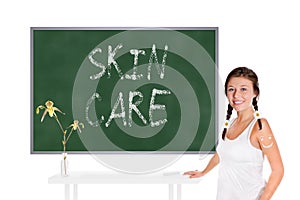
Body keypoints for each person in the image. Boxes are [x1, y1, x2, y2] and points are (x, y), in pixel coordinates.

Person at [184, 67, 284, 200]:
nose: (236, 95)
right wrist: (203, 172)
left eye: (243, 89)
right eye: (231, 89)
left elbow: (278, 170)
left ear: (255, 92)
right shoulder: (229, 124)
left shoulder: (260, 126)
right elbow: (222, 153)